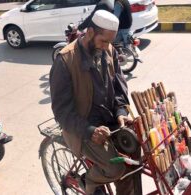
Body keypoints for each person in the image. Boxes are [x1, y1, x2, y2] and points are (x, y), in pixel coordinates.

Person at [50, 10, 137, 195]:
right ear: (90, 32)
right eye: (103, 41)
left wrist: (121, 112)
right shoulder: (65, 60)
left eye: (110, 42)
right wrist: (90, 131)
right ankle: (87, 180)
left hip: (109, 120)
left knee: (135, 158)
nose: (107, 47)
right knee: (116, 168)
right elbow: (61, 112)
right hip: (83, 129)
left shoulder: (109, 50)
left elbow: (120, 87)